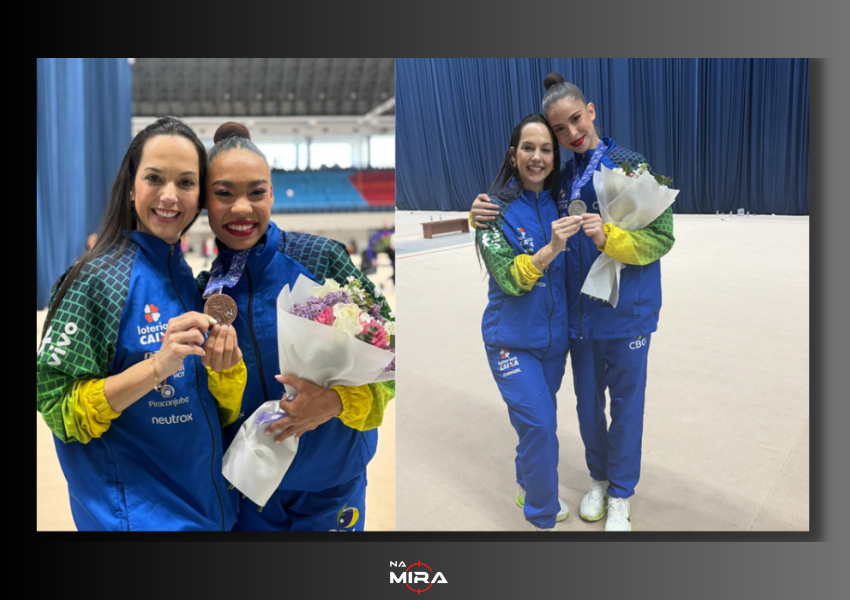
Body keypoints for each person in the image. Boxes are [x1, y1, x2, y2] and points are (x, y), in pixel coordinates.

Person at [471, 74, 676, 531]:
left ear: (592, 111)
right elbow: (517, 206)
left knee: (627, 408)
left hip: (626, 314)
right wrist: (478, 212)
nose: (571, 133)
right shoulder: (560, 180)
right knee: (587, 410)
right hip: (579, 320)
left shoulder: (630, 167)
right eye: (559, 130)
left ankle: (621, 493)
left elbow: (662, 238)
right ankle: (599, 479)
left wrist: (609, 237)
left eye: (576, 120)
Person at [36, 116, 247, 532]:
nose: (170, 196)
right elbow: (58, 407)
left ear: (200, 197)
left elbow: (201, 406)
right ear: (131, 187)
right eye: (154, 178)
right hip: (138, 521)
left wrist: (225, 373)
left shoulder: (186, 279)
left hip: (207, 513)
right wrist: (155, 368)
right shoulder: (96, 279)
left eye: (186, 182)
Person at [200, 122, 395, 531]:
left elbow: (391, 355)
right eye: (224, 194)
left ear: (272, 194)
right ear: (204, 201)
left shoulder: (321, 258)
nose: (241, 208)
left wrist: (337, 402)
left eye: (256, 192)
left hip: (332, 483)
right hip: (250, 488)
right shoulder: (203, 292)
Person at [476, 113, 583, 531]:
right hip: (510, 341)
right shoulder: (492, 212)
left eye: (545, 149)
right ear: (513, 155)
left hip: (553, 344)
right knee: (541, 424)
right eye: (528, 148)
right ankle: (541, 515)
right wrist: (552, 248)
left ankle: (525, 482)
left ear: (555, 158)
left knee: (534, 423)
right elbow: (510, 278)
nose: (536, 157)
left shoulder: (563, 202)